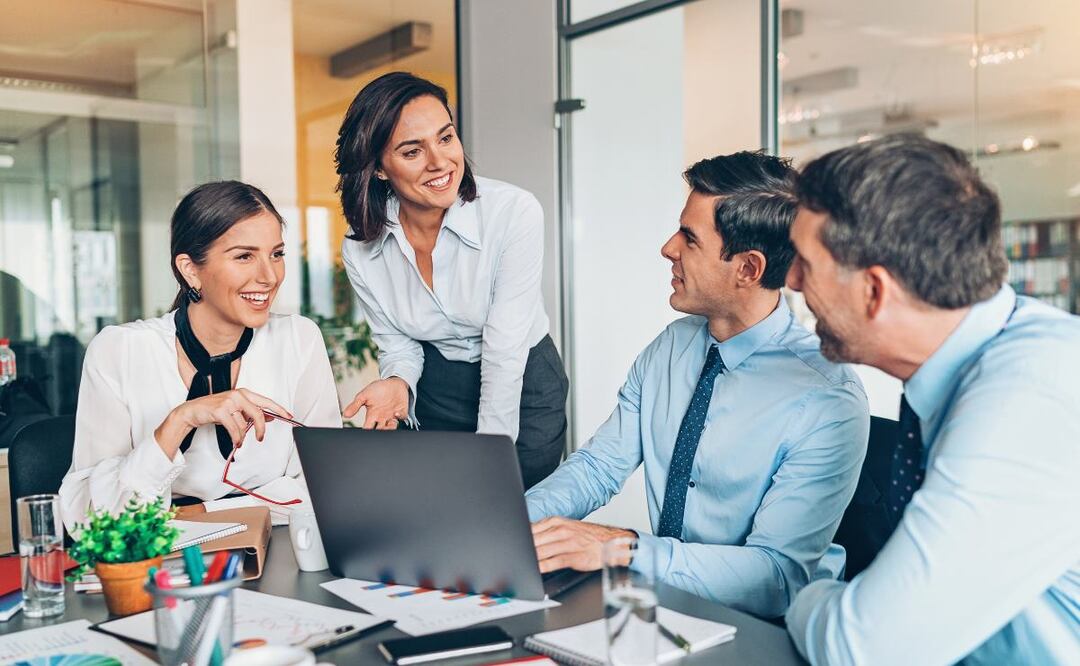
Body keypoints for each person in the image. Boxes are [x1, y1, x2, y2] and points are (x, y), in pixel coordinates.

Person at [525, 151, 869, 619]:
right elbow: (597, 468)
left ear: (748, 268)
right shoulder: (671, 348)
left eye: (689, 238)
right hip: (671, 604)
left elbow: (778, 578)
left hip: (768, 628)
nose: (668, 248)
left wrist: (625, 548)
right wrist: (511, 526)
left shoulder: (826, 398)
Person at [784, 134, 1080, 665]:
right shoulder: (959, 371)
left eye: (805, 262)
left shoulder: (1030, 399)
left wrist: (804, 595)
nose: (790, 279)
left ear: (874, 291)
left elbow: (863, 648)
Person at [59, 181, 342, 530]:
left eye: (277, 254)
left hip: (275, 550)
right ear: (190, 269)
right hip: (156, 563)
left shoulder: (299, 339)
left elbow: (324, 490)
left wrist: (196, 516)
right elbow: (88, 517)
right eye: (244, 256)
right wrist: (180, 421)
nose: (269, 276)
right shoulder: (119, 351)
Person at [336, 71, 567, 489]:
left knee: (512, 513)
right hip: (438, 382)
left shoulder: (513, 213)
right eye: (412, 151)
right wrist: (398, 382)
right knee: (436, 508)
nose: (440, 162)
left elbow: (504, 346)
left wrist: (489, 458)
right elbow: (398, 344)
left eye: (446, 138)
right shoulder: (361, 249)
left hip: (523, 379)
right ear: (380, 169)